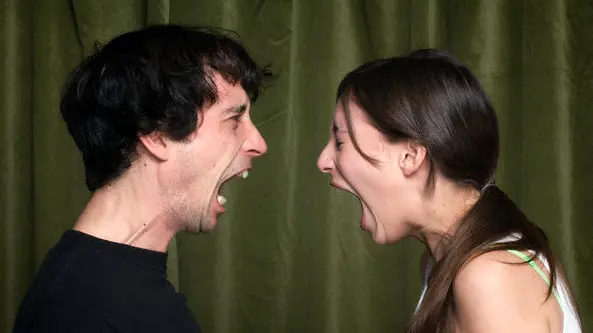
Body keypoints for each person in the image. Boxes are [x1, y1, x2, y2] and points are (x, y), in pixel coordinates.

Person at [13, 24, 270, 333]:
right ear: (157, 134)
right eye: (234, 119)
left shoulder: (115, 288)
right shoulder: (78, 314)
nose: (259, 143)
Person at [317, 49, 581, 332]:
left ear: (410, 156)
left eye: (341, 141)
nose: (323, 161)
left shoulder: (489, 276)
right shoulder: (442, 263)